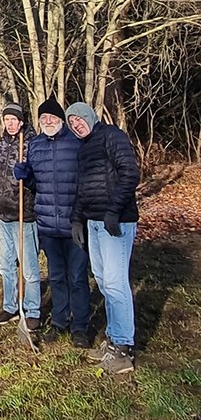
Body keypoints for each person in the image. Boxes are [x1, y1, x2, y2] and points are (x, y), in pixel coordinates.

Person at [66, 102, 140, 374]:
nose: (76, 124)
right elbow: (82, 189)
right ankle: (112, 338)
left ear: (89, 117)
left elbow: (130, 173)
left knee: (115, 282)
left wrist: (114, 210)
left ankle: (123, 348)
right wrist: (77, 219)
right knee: (103, 280)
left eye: (78, 119)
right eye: (71, 122)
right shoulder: (83, 149)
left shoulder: (111, 136)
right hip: (94, 223)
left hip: (116, 223)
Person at [14, 96, 90, 347]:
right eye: (43, 118)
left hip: (75, 223)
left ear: (61, 120)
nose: (48, 121)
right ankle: (59, 321)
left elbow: (87, 179)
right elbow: (35, 185)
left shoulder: (76, 142)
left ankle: (80, 326)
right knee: (56, 276)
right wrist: (25, 176)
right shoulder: (35, 145)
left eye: (52, 117)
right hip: (47, 224)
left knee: (77, 276)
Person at [0, 102, 42, 330]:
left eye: (14, 120)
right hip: (2, 214)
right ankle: (10, 306)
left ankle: (33, 310)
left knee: (29, 267)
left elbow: (39, 179)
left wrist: (29, 176)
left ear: (21, 121)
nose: (10, 124)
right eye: (7, 120)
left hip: (24, 214)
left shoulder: (32, 144)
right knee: (6, 264)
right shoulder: (1, 144)